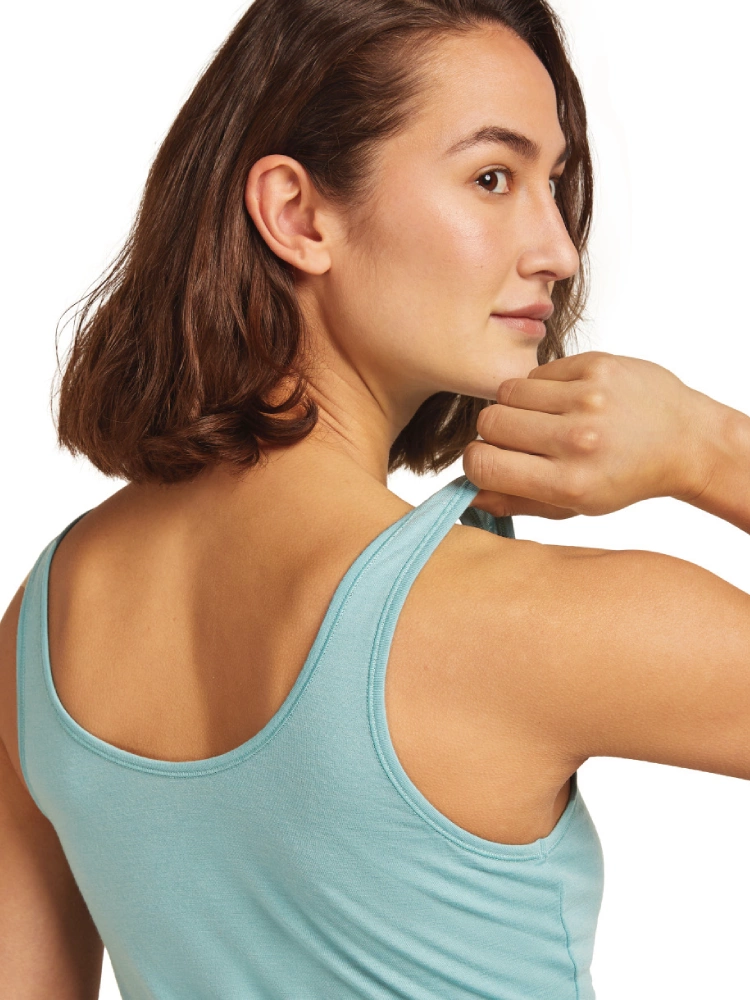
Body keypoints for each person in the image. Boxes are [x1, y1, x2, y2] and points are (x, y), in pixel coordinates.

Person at [1, 0, 748, 997]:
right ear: (297, 215)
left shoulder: (44, 622)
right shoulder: (520, 624)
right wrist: (710, 449)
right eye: (493, 177)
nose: (560, 249)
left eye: (555, 184)